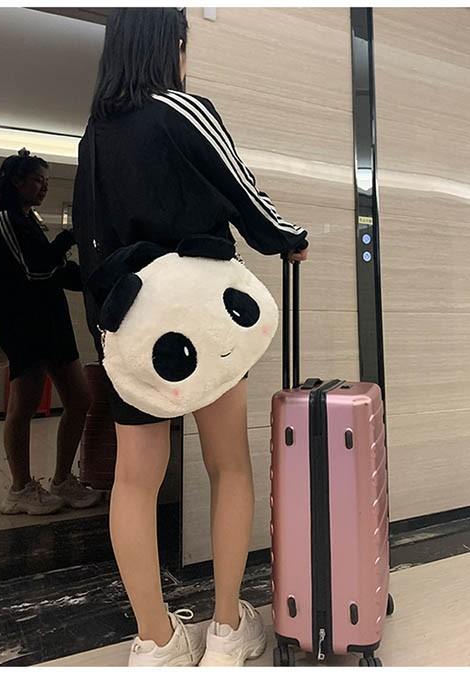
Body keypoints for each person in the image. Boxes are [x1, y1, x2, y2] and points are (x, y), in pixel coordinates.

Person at [72, 8, 309, 668]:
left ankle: (155, 642)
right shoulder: (182, 109)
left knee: (133, 482)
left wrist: (108, 328)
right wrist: (288, 239)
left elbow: (89, 233)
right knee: (227, 463)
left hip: (132, 327)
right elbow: (243, 194)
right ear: (170, 41)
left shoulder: (96, 134)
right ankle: (228, 629)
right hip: (200, 321)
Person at [0, 149, 101, 516]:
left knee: (79, 399)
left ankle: (62, 479)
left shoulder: (30, 220)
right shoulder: (6, 219)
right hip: (25, 326)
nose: (44, 187)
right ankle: (19, 489)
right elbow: (36, 269)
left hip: (52, 323)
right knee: (23, 406)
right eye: (38, 180)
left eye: (46, 181)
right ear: (16, 181)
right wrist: (69, 237)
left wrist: (95, 277)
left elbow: (53, 271)